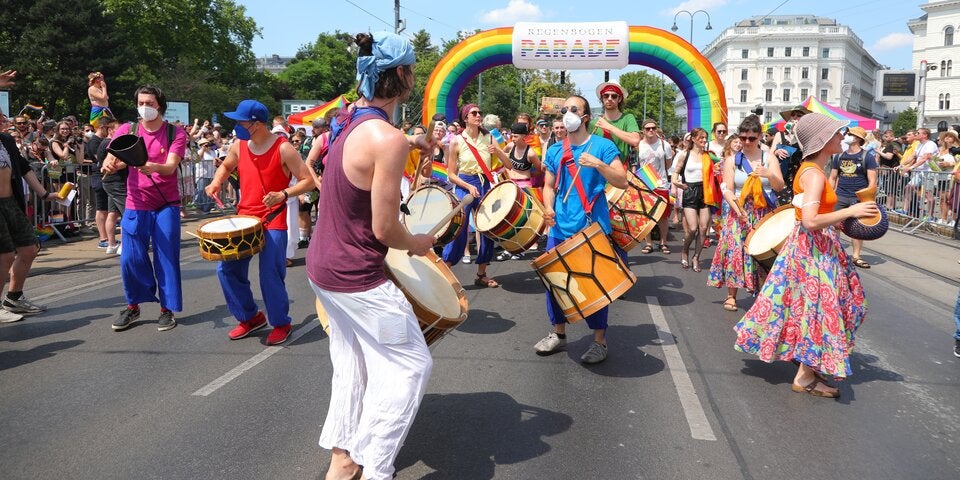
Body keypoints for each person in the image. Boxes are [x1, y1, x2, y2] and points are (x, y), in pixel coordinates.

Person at [306, 31, 435, 480]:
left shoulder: (348, 121)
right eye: (412, 69)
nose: (415, 76)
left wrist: (413, 143)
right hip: (356, 276)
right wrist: (417, 244)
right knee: (410, 365)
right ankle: (377, 468)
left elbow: (368, 154)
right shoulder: (389, 138)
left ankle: (343, 459)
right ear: (400, 74)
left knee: (352, 361)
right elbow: (385, 228)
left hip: (322, 268)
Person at [734, 112, 878, 398]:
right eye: (837, 133)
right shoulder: (813, 174)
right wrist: (850, 211)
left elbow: (812, 215)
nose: (843, 138)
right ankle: (805, 375)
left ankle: (809, 366)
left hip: (813, 247)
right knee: (821, 310)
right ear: (823, 140)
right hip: (813, 250)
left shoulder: (812, 169)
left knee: (813, 309)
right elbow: (810, 220)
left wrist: (841, 219)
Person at [203, 100, 313, 345]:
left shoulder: (284, 149)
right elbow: (227, 166)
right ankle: (250, 318)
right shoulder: (239, 145)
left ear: (256, 123)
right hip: (245, 218)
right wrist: (216, 182)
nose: (237, 125)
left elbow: (308, 181)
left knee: (270, 275)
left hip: (273, 219)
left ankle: (281, 322)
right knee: (227, 270)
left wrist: (284, 194)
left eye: (241, 121)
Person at [533, 94, 628, 364]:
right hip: (559, 228)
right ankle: (558, 334)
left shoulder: (602, 146)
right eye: (564, 110)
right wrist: (548, 208)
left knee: (594, 285)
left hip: (592, 227)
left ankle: (599, 341)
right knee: (554, 283)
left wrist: (597, 164)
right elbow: (549, 186)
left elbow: (622, 181)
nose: (567, 114)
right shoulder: (555, 150)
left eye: (573, 109)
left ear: (586, 116)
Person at [101, 84, 186, 332]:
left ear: (160, 104)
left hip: (165, 205)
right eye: (141, 103)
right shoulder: (128, 129)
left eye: (149, 103)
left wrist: (153, 166)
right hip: (135, 203)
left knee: (167, 258)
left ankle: (166, 309)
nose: (144, 107)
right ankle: (133, 306)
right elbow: (112, 156)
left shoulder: (175, 133)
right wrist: (109, 164)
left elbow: (170, 166)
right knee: (130, 258)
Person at [708, 115, 784, 311]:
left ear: (759, 137)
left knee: (762, 254)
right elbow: (727, 189)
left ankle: (764, 296)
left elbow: (779, 186)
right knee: (735, 251)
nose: (746, 142)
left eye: (751, 138)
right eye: (743, 138)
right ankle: (731, 295)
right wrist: (738, 210)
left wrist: (769, 174)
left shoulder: (769, 158)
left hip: (763, 212)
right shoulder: (733, 160)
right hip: (739, 211)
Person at [441, 102, 509, 287]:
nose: (479, 116)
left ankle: (481, 274)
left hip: (484, 184)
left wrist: (499, 153)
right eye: (474, 113)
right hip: (465, 185)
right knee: (459, 229)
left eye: (480, 112)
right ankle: (445, 272)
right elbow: (451, 175)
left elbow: (509, 165)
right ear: (465, 118)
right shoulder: (456, 140)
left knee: (487, 229)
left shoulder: (489, 137)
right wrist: (467, 186)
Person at [0, 125, 63, 321]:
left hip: (11, 202)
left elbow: (23, 168)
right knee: (5, 256)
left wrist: (45, 194)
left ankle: (14, 298)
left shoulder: (6, 141)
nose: (3, 119)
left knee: (29, 249)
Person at [670, 128, 720, 272]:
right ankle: (685, 251)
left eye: (705, 138)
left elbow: (719, 166)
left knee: (704, 228)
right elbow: (675, 172)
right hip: (690, 190)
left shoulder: (709, 156)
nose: (704, 140)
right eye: (701, 138)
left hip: (706, 191)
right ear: (693, 139)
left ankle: (696, 257)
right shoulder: (684, 154)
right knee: (692, 228)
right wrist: (676, 183)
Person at [828, 126, 878, 269]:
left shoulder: (867, 156)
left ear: (858, 138)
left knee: (858, 228)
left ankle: (856, 256)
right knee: (834, 225)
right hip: (841, 195)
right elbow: (832, 177)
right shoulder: (838, 156)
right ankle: (835, 253)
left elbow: (872, 180)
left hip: (858, 197)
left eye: (850, 134)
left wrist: (868, 198)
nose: (846, 135)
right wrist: (829, 194)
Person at [636, 118, 673, 254]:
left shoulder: (664, 145)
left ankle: (663, 242)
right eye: (648, 129)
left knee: (663, 216)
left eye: (653, 128)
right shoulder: (639, 145)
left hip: (661, 183)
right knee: (646, 215)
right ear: (643, 131)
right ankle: (648, 243)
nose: (651, 130)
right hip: (645, 183)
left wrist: (659, 175)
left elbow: (669, 164)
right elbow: (636, 164)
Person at [589, 81, 640, 167]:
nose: (609, 98)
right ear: (602, 99)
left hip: (621, 173)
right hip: (600, 173)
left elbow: (635, 140)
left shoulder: (627, 118)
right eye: (606, 96)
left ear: (619, 99)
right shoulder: (593, 123)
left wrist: (608, 127)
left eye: (614, 96)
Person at [771, 105, 810, 205]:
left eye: (799, 115)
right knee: (781, 207)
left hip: (799, 176)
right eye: (793, 115)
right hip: (782, 176)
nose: (795, 117)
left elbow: (807, 153)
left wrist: (796, 132)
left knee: (797, 206)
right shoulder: (779, 135)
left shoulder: (806, 136)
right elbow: (770, 155)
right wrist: (777, 152)